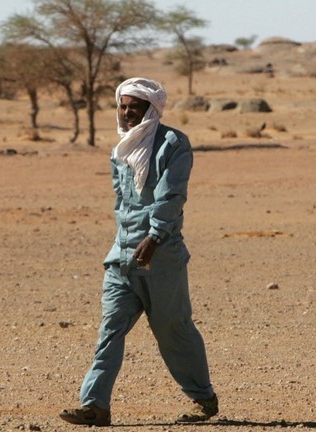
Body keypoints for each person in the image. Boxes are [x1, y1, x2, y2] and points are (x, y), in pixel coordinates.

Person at [59, 77, 218, 426]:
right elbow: (122, 201)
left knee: (173, 330)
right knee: (110, 330)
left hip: (161, 255)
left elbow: (171, 196)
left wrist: (155, 237)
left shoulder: (173, 144)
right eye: (123, 106)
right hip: (122, 256)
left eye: (135, 106)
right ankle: (95, 405)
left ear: (151, 109)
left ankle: (203, 398)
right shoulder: (120, 150)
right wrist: (125, 243)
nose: (127, 112)